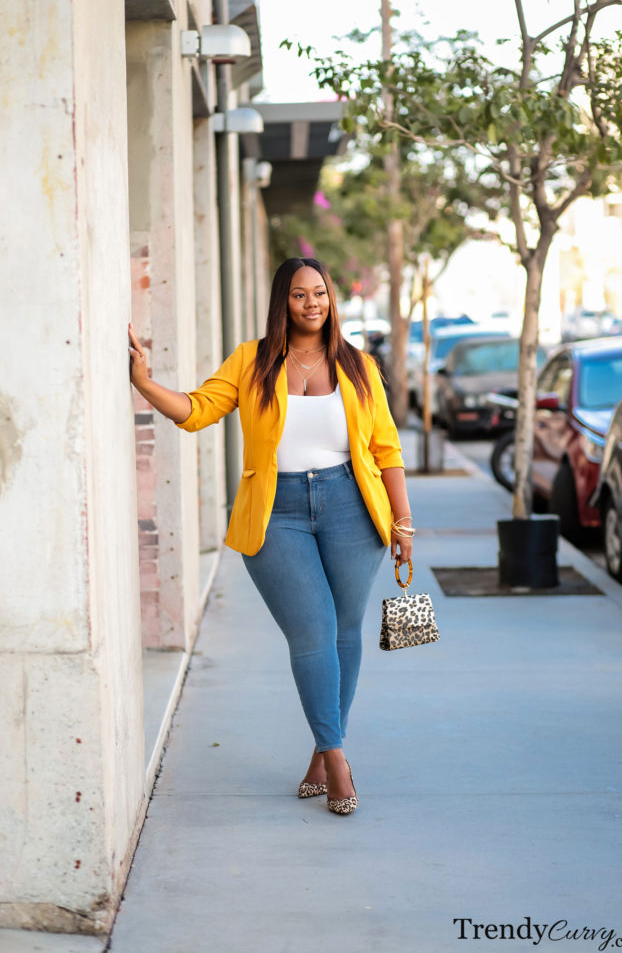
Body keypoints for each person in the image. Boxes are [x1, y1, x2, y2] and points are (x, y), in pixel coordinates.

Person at [128, 257, 414, 816]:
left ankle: (319, 750)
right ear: (283, 301)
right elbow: (195, 411)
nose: (313, 304)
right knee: (312, 632)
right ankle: (337, 758)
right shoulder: (252, 361)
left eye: (322, 293)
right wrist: (144, 383)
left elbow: (387, 451)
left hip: (352, 508)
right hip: (275, 512)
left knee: (345, 633)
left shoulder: (358, 366)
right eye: (301, 295)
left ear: (333, 300)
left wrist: (402, 523)